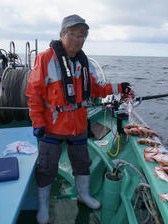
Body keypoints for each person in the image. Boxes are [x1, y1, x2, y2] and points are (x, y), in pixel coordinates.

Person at [25, 14, 133, 224]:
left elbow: (97, 89)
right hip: (52, 126)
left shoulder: (84, 63)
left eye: (82, 35)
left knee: (82, 163)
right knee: (47, 168)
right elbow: (33, 94)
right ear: (62, 35)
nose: (78, 39)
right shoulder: (46, 59)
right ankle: (44, 207)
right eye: (73, 34)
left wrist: (119, 88)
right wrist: (38, 122)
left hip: (78, 126)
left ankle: (84, 196)